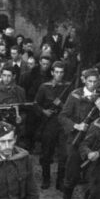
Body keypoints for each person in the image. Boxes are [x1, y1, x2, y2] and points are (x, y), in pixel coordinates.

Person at [59, 68, 100, 199]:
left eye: (95, 81)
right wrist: (76, 125)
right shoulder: (75, 95)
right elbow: (63, 116)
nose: (92, 84)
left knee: (93, 174)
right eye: (89, 81)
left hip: (93, 140)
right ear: (84, 80)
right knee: (72, 171)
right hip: (76, 139)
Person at [34, 61, 70, 190]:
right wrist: (44, 111)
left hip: (63, 123)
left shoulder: (69, 87)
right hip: (49, 122)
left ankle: (60, 181)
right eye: (57, 72)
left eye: (61, 72)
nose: (59, 75)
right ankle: (46, 178)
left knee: (63, 154)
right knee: (46, 152)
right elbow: (36, 103)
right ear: (52, 72)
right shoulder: (45, 87)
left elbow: (72, 106)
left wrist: (61, 105)